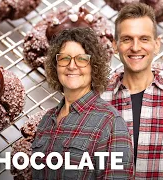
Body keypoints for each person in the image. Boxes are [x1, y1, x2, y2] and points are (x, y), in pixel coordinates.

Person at [31, 27, 133, 179]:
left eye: (82, 59)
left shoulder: (110, 123)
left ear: (94, 66)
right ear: (55, 65)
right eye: (64, 58)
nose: (72, 66)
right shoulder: (47, 120)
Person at [101, 2, 162, 178]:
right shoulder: (97, 99)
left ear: (157, 44)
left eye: (144, 39)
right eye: (127, 39)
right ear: (114, 45)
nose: (135, 47)